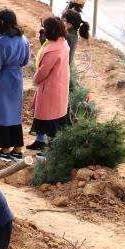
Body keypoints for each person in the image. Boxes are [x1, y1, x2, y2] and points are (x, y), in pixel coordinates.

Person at [0, 9, 30, 162]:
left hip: (2, 80)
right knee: (14, 115)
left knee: (1, 115)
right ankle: (17, 149)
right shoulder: (23, 39)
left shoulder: (1, 42)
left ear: (1, 22)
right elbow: (25, 61)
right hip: (17, 78)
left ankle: (4, 150)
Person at [28, 17, 71, 152]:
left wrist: (35, 79)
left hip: (50, 88)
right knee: (49, 116)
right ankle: (40, 141)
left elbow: (43, 71)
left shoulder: (53, 50)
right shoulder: (63, 43)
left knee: (48, 119)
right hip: (59, 85)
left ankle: (49, 149)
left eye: (45, 29)